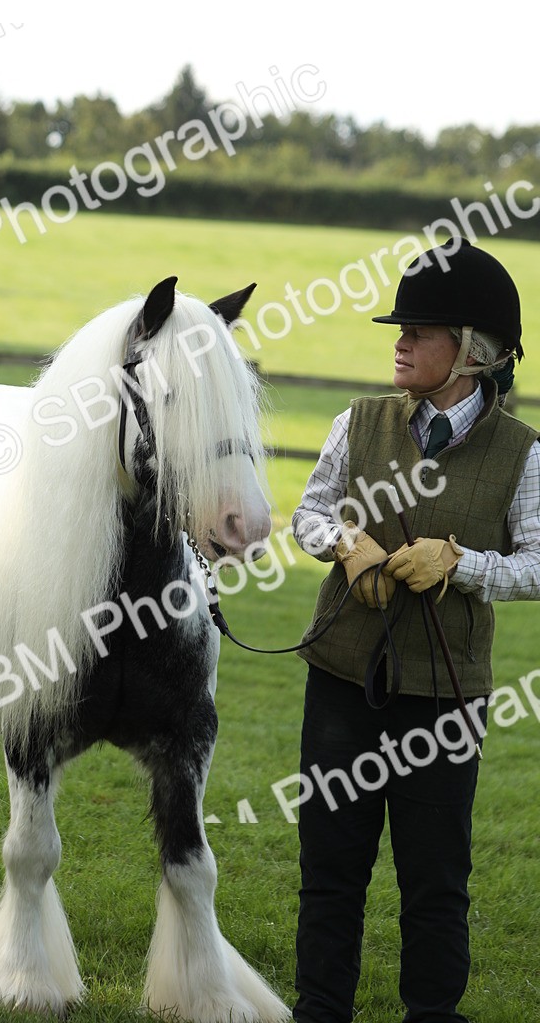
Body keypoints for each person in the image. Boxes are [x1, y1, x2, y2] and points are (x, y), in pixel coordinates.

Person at [289, 238, 540, 1023]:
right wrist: (344, 544)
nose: (398, 342)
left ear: (470, 351)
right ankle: (319, 1011)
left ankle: (433, 1015)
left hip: (446, 698)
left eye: (418, 330)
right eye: (399, 328)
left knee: (436, 879)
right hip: (341, 679)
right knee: (330, 866)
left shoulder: (524, 453)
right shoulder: (357, 421)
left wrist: (461, 562)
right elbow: (307, 513)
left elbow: (539, 564)